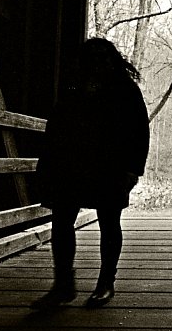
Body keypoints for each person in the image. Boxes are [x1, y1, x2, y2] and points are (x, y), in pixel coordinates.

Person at [31, 37, 150, 309]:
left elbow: (139, 132)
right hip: (70, 166)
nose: (97, 63)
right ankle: (63, 285)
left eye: (102, 57)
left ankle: (105, 283)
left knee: (109, 223)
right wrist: (47, 166)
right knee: (61, 223)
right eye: (92, 58)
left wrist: (133, 169)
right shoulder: (73, 88)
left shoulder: (125, 90)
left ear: (112, 60)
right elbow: (55, 129)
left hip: (110, 168)